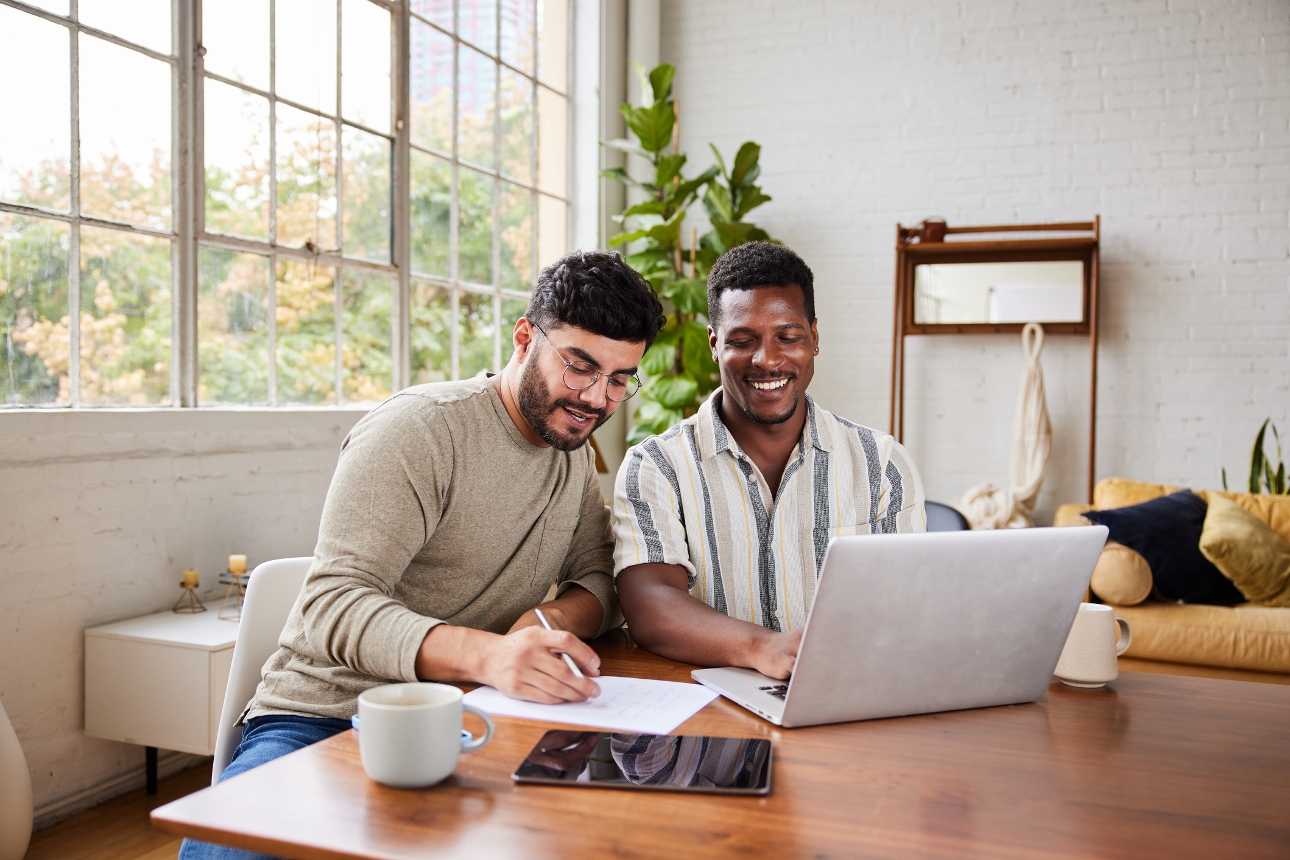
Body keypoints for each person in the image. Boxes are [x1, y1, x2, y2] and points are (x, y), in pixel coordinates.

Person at [180, 251, 664, 860]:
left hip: (467, 713)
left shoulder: (569, 453)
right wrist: (488, 655)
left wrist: (546, 623)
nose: (597, 398)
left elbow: (601, 573)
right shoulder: (419, 432)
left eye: (620, 379)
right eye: (579, 367)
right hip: (328, 712)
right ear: (524, 338)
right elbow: (334, 602)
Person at [612, 241, 926, 680]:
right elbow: (649, 605)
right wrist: (762, 648)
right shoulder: (656, 467)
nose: (768, 360)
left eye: (788, 337)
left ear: (814, 338)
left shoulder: (882, 465)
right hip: (705, 715)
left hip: (843, 696)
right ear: (714, 343)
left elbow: (907, 603)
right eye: (742, 340)